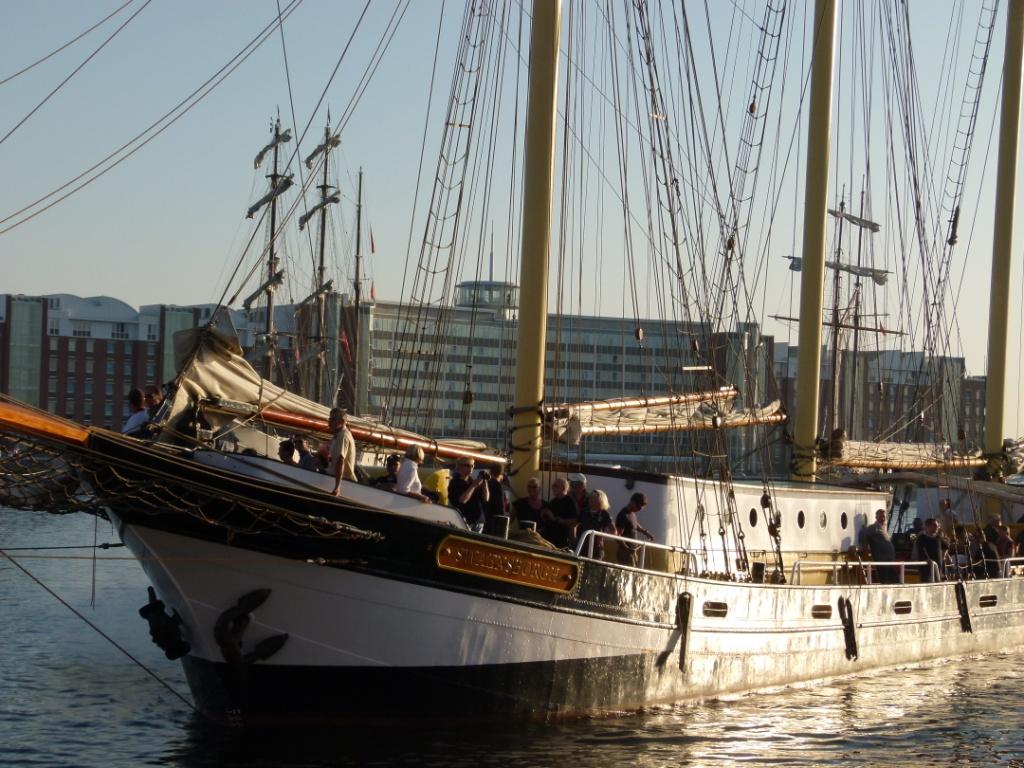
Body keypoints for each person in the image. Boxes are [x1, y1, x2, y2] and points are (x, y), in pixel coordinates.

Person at [447, 457, 489, 530]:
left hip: (478, 521)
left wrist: (485, 483)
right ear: (459, 466)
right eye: (467, 465)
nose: (471, 468)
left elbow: (486, 498)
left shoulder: (471, 481)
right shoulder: (455, 482)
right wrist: (474, 485)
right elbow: (462, 500)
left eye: (473, 466)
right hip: (464, 522)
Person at [859, 508, 899, 584]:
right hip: (882, 560)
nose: (883, 518)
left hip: (889, 560)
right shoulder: (873, 528)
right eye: (880, 516)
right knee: (885, 580)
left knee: (894, 580)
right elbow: (865, 536)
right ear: (876, 517)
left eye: (884, 516)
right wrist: (865, 551)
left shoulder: (883, 529)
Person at [615, 492, 655, 567]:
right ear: (633, 502)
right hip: (625, 553)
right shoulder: (623, 515)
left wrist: (646, 533)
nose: (639, 510)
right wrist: (627, 549)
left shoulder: (632, 514)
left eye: (641, 508)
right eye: (638, 507)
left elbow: (635, 524)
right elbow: (617, 535)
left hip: (632, 552)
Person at [577, 489, 617, 560]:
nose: (589, 500)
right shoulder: (584, 511)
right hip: (582, 545)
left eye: (592, 498)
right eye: (590, 498)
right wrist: (574, 537)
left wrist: (602, 535)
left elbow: (614, 531)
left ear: (600, 500)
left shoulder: (604, 514)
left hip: (597, 548)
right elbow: (574, 524)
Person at [540, 477, 577, 548]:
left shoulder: (570, 502)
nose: (553, 488)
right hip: (548, 539)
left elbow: (574, 521)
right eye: (553, 486)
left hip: (561, 541)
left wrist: (554, 518)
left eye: (555, 486)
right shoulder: (553, 501)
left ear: (563, 488)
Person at [328, 408, 357, 496]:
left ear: (342, 422)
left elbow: (340, 461)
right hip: (338, 479)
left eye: (333, 419)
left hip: (345, 482)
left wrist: (337, 487)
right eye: (330, 419)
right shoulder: (338, 435)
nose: (330, 422)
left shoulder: (343, 436)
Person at [912, 518, 946, 582]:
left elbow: (946, 546)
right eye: (916, 524)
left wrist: (943, 556)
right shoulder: (918, 535)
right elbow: (915, 543)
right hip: (926, 564)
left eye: (919, 524)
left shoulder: (938, 537)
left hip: (937, 565)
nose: (937, 527)